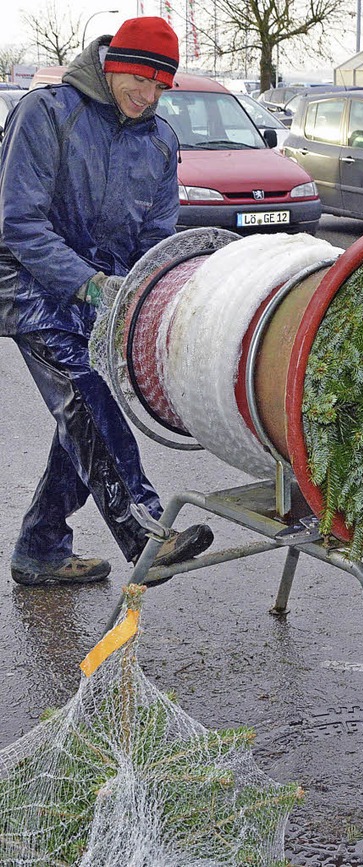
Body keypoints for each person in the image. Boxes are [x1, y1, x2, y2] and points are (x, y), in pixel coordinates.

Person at [0, 17, 213, 587]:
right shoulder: (45, 113)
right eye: (139, 80)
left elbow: (155, 240)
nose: (148, 96)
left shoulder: (160, 141)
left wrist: (154, 297)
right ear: (112, 63)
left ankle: (40, 547)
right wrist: (88, 282)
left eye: (160, 87)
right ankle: (143, 530)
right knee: (88, 398)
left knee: (80, 416)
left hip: (104, 297)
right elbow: (19, 223)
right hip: (27, 283)